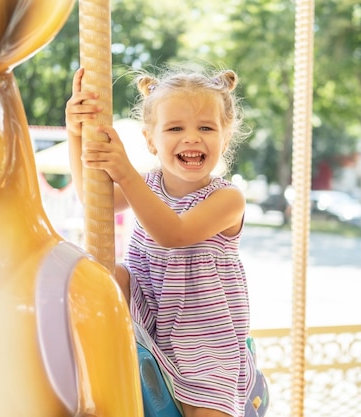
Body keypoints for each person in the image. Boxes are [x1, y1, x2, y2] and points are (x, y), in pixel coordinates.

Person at [65, 65, 254, 417]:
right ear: (151, 140)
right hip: (150, 322)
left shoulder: (228, 199)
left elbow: (173, 234)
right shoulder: (148, 185)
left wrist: (123, 171)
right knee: (105, 276)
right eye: (175, 128)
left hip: (207, 347)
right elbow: (92, 199)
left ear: (225, 139)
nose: (192, 138)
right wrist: (76, 132)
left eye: (206, 128)